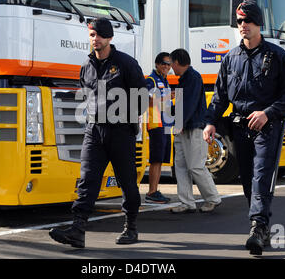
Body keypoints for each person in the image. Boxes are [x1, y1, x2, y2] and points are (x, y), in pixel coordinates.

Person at [203, 0, 285, 255]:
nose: (243, 25)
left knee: (261, 176)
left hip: (268, 127)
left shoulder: (277, 56)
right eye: (239, 21)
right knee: (247, 179)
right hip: (239, 127)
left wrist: (268, 113)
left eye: (248, 21)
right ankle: (262, 225)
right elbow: (220, 96)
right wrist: (211, 121)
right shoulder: (230, 58)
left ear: (259, 24)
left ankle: (257, 227)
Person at [49, 18, 147, 248]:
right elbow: (86, 95)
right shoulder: (86, 66)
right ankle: (77, 229)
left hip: (121, 132)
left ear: (110, 38)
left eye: (100, 35)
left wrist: (121, 115)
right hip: (94, 131)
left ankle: (131, 227)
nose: (96, 39)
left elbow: (142, 99)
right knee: (87, 180)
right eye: (92, 35)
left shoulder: (126, 64)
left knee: (127, 183)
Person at [169, 48, 221, 214]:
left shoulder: (191, 77)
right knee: (182, 166)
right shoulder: (187, 78)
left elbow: (188, 104)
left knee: (195, 166)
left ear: (177, 62)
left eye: (171, 64)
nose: (171, 68)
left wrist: (179, 123)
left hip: (193, 127)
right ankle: (186, 202)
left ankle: (212, 198)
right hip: (186, 127)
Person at [145, 52, 174, 204]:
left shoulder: (165, 80)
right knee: (156, 159)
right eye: (163, 63)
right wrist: (170, 97)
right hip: (156, 123)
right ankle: (151, 192)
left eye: (169, 64)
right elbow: (148, 101)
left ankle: (154, 190)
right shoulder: (151, 80)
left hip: (165, 124)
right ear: (157, 64)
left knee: (160, 159)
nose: (166, 66)